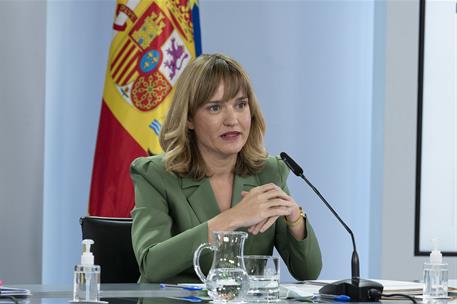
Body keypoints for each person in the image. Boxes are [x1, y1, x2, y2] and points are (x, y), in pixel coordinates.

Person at [130, 53, 322, 283]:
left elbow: (308, 272)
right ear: (189, 118)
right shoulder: (155, 175)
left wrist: (295, 218)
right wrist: (233, 218)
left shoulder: (268, 172)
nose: (232, 119)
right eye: (215, 108)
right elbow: (151, 265)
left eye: (240, 104)